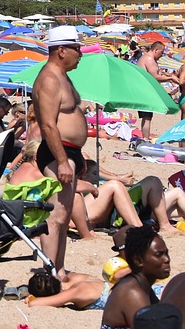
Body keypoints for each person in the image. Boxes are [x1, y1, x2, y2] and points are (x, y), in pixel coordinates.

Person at [35, 25, 88, 273]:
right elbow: (47, 124)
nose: (81, 54)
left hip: (69, 152)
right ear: (61, 50)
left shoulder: (63, 77)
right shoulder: (49, 79)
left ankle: (60, 268)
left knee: (64, 216)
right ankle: (50, 270)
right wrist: (63, 160)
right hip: (58, 153)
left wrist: (76, 156)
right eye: (77, 49)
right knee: (56, 215)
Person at [100, 225, 170, 329]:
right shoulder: (132, 293)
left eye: (166, 253)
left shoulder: (141, 285)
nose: (166, 259)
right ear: (138, 260)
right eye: (158, 255)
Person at [138, 43, 175, 140]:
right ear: (156, 50)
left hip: (143, 91)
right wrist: (170, 78)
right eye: (161, 53)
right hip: (146, 92)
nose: (161, 55)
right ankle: (145, 139)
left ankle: (144, 138)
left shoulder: (145, 58)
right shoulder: (149, 59)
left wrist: (165, 75)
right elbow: (155, 77)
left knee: (146, 117)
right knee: (147, 118)